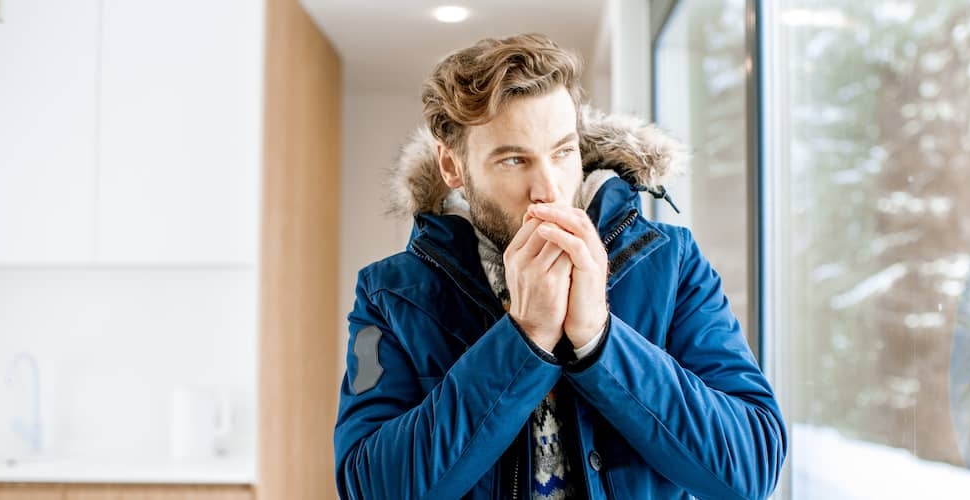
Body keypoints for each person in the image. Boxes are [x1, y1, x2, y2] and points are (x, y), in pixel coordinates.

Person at [333, 33, 786, 500]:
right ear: (453, 167)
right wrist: (522, 339)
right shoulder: (389, 295)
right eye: (513, 160)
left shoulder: (670, 263)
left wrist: (599, 339)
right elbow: (368, 486)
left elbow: (750, 468)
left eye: (563, 152)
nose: (548, 189)